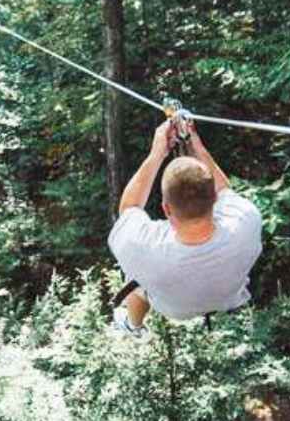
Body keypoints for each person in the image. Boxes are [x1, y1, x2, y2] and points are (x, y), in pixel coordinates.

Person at [108, 119, 263, 333]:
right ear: (214, 200)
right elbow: (226, 192)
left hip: (175, 308)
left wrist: (157, 154)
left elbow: (129, 208)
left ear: (166, 208)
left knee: (136, 282)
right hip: (227, 295)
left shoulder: (142, 246)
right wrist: (196, 146)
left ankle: (132, 326)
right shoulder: (246, 220)